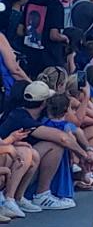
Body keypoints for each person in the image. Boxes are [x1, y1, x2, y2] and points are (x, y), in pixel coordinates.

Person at [0, 79, 85, 210]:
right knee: (53, 145)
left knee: (38, 149)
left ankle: (22, 196)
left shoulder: (31, 114)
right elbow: (62, 138)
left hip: (17, 163)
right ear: (44, 102)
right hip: (9, 161)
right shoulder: (21, 117)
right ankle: (38, 195)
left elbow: (73, 126)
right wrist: (85, 155)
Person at [22, 0, 69, 71]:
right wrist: (65, 38)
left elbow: (21, 30)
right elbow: (54, 35)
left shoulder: (31, 2)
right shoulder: (55, 6)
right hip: (49, 58)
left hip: (30, 54)